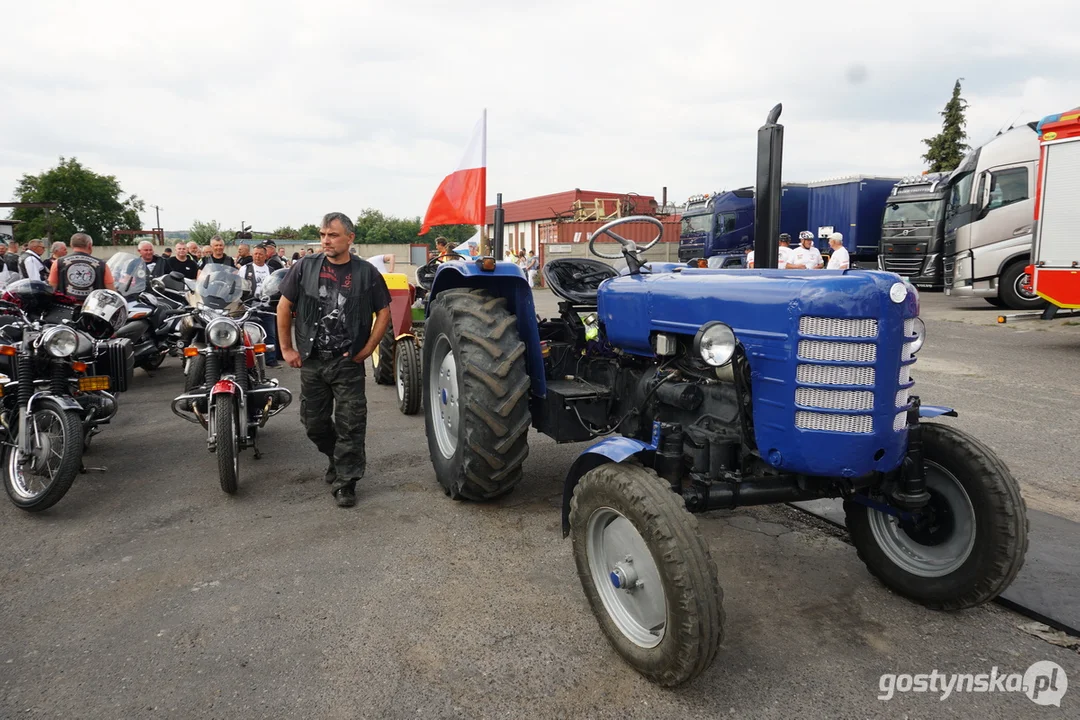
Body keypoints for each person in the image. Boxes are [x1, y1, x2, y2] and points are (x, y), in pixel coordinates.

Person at [276, 212, 391, 508]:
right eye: (323, 234)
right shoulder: (304, 267)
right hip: (313, 360)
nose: (326, 240)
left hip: (347, 361)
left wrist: (367, 350)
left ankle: (346, 482)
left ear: (350, 238)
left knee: (351, 423)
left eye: (333, 235)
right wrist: (287, 349)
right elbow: (284, 306)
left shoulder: (366, 273)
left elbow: (385, 314)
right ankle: (336, 457)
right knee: (313, 423)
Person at [243, 245, 281, 367]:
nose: (257, 256)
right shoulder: (245, 269)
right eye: (255, 254)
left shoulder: (271, 271)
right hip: (250, 305)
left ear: (265, 256)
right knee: (249, 334)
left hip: (266, 306)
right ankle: (250, 360)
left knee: (270, 333)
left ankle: (271, 359)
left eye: (260, 254)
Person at [48, 232, 115, 300]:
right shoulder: (102, 264)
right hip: (92, 308)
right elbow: (111, 291)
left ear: (71, 245)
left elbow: (52, 288)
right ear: (89, 245)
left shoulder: (58, 262)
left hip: (66, 307)